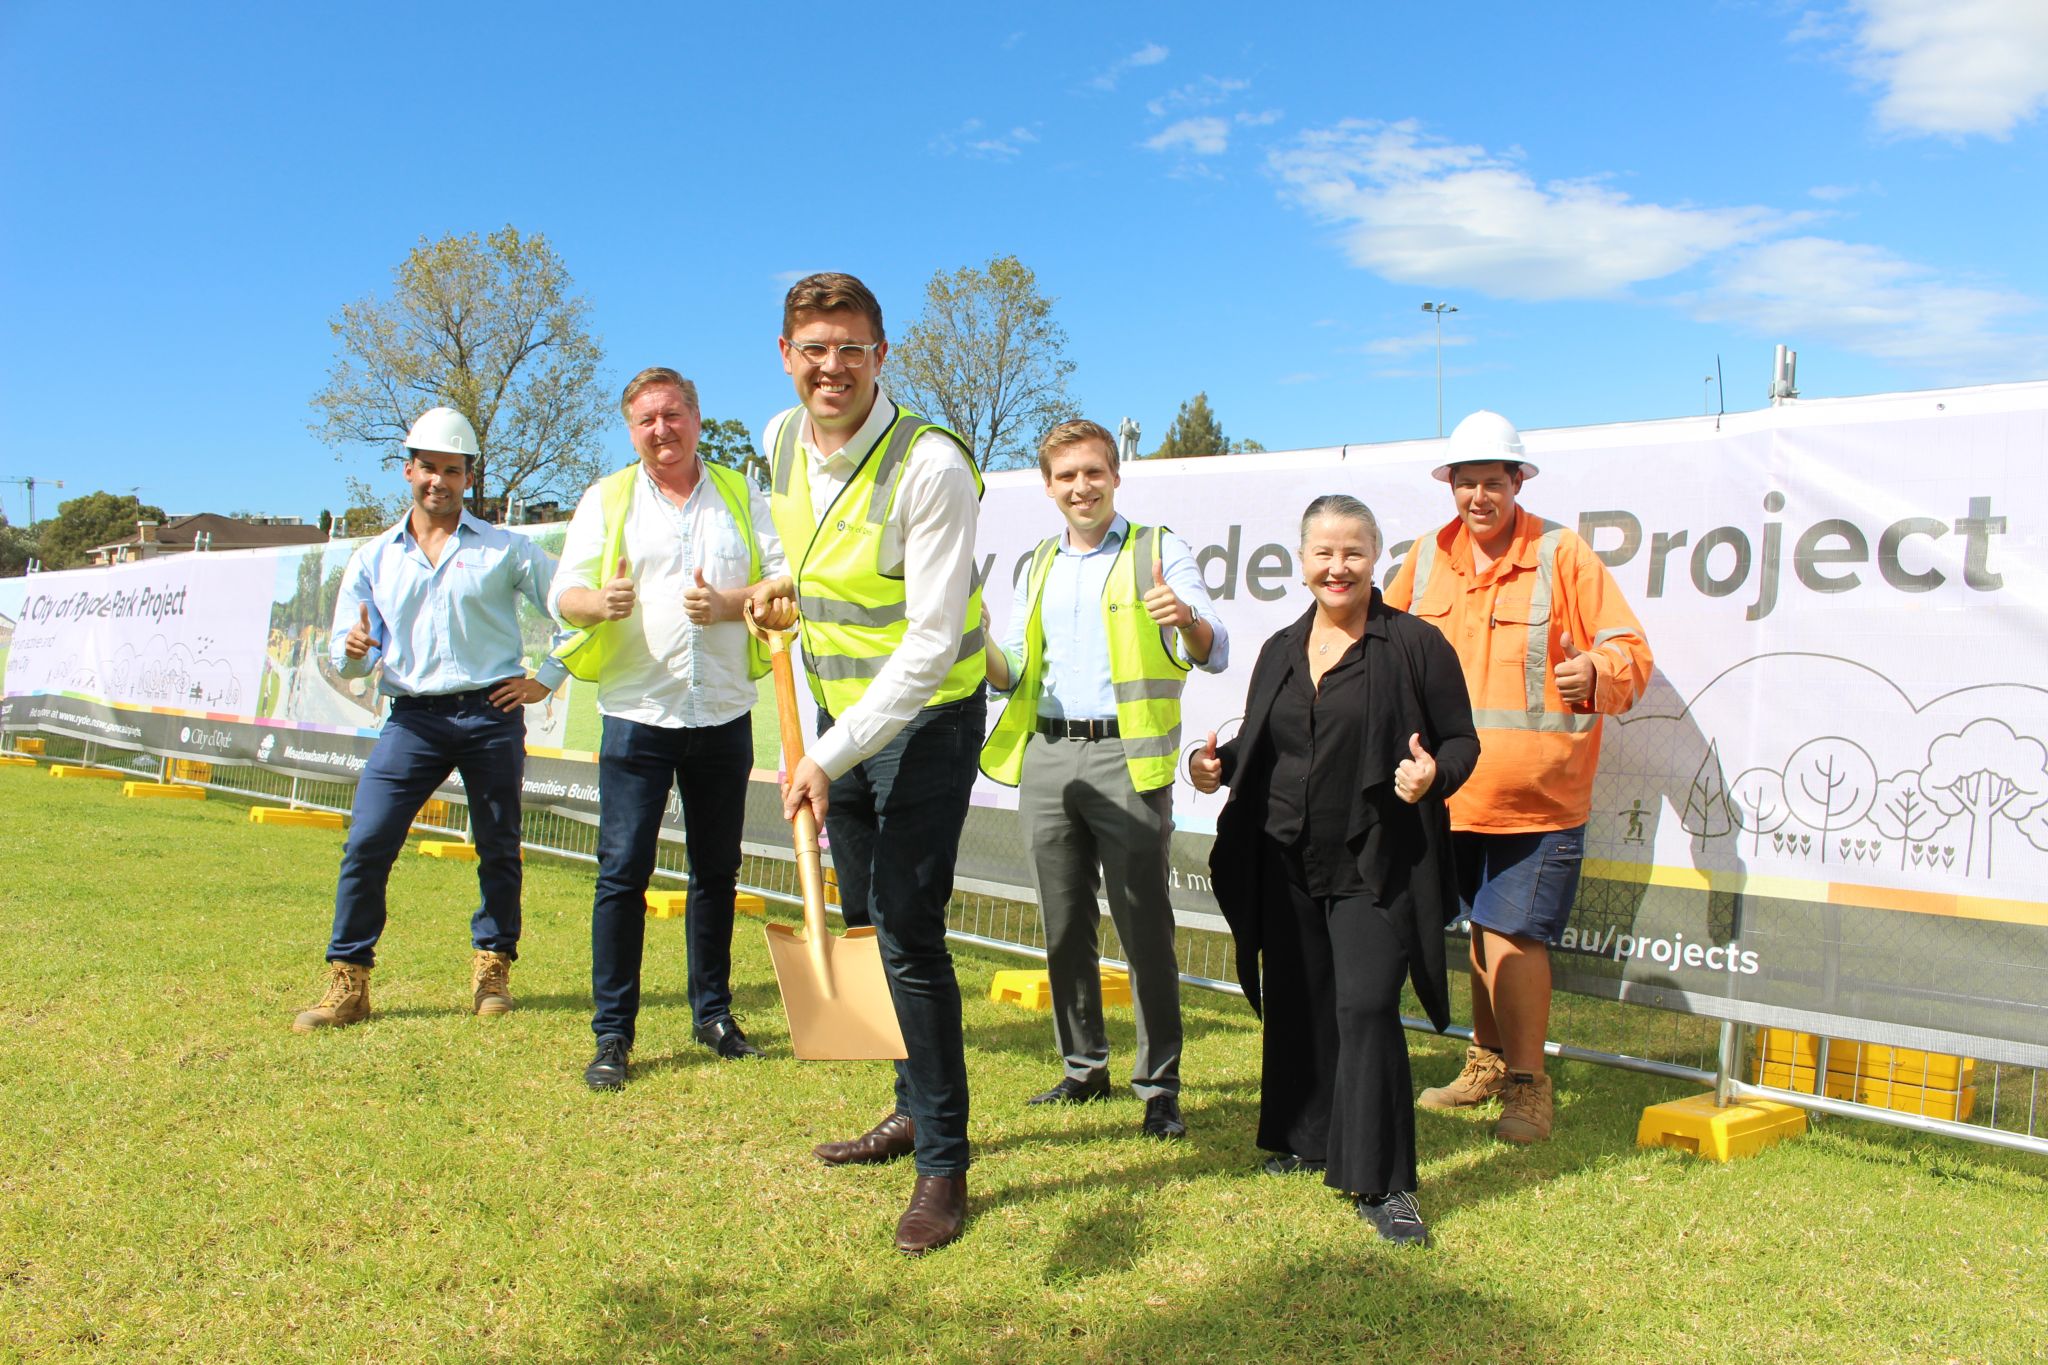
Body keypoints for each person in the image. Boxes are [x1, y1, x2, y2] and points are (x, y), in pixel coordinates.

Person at [752, 272, 987, 1256]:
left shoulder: (928, 466)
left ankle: (943, 1164)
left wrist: (827, 755)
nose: (831, 367)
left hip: (925, 719)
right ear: (786, 356)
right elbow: (787, 541)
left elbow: (931, 642)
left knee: (906, 926)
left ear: (880, 356)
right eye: (813, 348)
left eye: (851, 348)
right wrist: (776, 582)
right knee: (860, 919)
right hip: (836, 710)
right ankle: (904, 1109)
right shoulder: (774, 439)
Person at [1192, 494, 1478, 1247]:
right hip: (1285, 854)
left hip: (1374, 861)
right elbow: (1261, 740)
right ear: (1302, 560)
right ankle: (1305, 1137)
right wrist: (1213, 767)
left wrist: (1431, 778)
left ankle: (1384, 1182)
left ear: (1375, 556)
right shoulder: (1283, 647)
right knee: (1300, 1000)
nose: (1337, 566)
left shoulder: (1414, 645)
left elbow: (1459, 743)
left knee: (1365, 1006)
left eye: (1352, 551)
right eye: (1323, 552)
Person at [1384, 410, 1653, 1144]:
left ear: (1517, 482)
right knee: (1480, 935)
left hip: (1539, 797)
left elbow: (1630, 648)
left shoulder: (1563, 554)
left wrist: (1594, 669)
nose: (1479, 495)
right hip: (1451, 794)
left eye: (1492, 481)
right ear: (1451, 487)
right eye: (1465, 482)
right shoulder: (1427, 557)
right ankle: (1486, 1063)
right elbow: (1385, 643)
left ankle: (1530, 1085)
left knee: (1510, 936)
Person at [980, 418, 1228, 1138]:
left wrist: (1184, 619)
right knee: (1063, 924)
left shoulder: (1159, 548)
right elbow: (1015, 675)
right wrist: (980, 642)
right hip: (1049, 757)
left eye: (1093, 472)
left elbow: (1213, 647)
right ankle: (1083, 1068)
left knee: (1143, 926)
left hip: (1128, 759)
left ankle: (1159, 1087)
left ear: (1116, 475)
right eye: (1066, 476)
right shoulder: (1037, 563)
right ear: (1048, 486)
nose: (1080, 487)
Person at [550, 368, 790, 1089]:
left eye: (673, 414)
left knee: (716, 872)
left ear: (696, 415)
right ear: (632, 430)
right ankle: (612, 1034)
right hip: (637, 715)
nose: (662, 429)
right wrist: (599, 600)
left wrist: (730, 603)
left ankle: (713, 1014)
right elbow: (566, 592)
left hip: (721, 710)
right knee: (622, 875)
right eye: (647, 419)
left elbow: (784, 585)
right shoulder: (607, 497)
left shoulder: (743, 497)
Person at [292, 407, 562, 1032]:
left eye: (452, 470)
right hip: (411, 718)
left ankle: (493, 966)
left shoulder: (508, 550)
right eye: (428, 469)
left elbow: (570, 610)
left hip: (490, 714)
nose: (438, 481)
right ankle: (349, 981)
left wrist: (544, 679)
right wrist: (354, 655)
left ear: (468, 478)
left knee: (498, 845)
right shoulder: (372, 558)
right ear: (407, 470)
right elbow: (346, 653)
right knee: (367, 841)